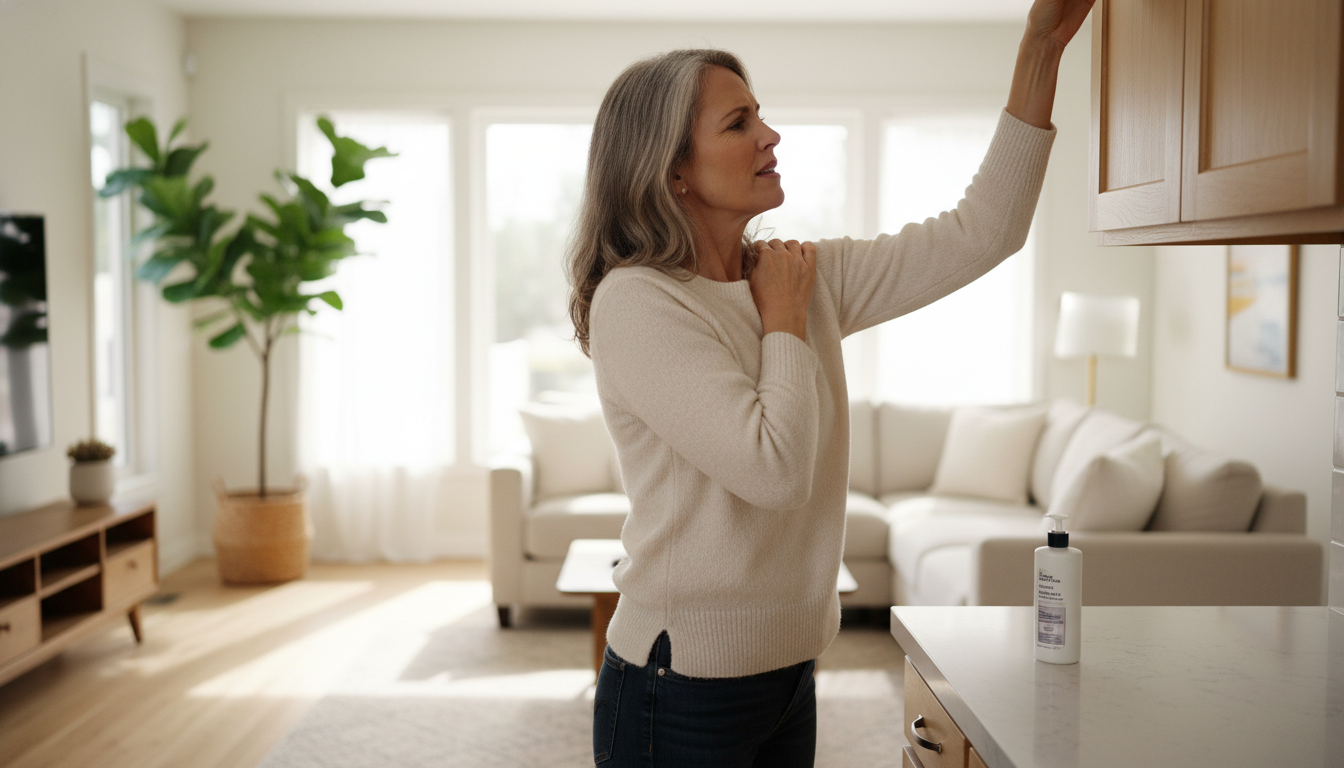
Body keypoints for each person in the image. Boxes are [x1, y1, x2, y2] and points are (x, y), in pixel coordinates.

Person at [566, 1, 1094, 764]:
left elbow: (986, 231)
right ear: (674, 169)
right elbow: (774, 470)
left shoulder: (797, 273)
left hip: (788, 672)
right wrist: (782, 320)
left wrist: (1041, 46)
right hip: (677, 684)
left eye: (761, 116)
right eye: (739, 122)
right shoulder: (641, 302)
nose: (770, 136)